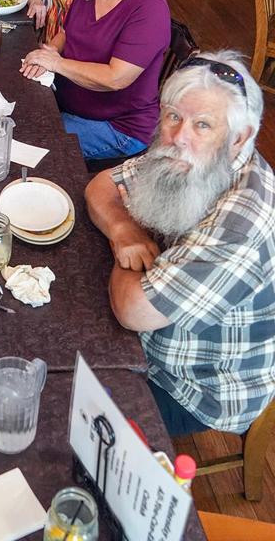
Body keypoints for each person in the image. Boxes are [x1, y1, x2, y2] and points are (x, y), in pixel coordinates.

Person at [85, 51, 275, 435]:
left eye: (203, 124)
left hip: (193, 385)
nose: (178, 137)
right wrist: (125, 231)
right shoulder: (183, 149)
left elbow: (133, 309)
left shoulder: (242, 224)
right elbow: (101, 185)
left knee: (63, 417)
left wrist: (127, 252)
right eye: (173, 116)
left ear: (240, 138)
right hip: (148, 340)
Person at [21, 0, 171, 160]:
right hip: (70, 103)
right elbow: (67, 32)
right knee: (14, 110)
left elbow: (115, 78)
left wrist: (57, 64)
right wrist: (50, 51)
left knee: (31, 144)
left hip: (118, 128)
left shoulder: (150, 8)